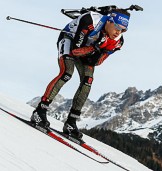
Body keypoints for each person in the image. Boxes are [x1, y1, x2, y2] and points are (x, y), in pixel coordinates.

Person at [31, 8, 130, 139]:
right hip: (69, 40)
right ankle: (40, 111)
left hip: (88, 50)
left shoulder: (118, 40)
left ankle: (71, 122)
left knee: (88, 80)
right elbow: (75, 51)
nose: (119, 32)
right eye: (117, 27)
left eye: (123, 29)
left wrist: (97, 50)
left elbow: (98, 62)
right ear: (109, 21)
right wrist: (95, 47)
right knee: (67, 72)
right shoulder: (90, 20)